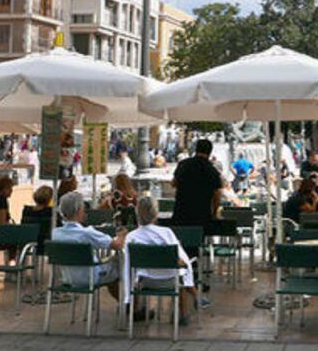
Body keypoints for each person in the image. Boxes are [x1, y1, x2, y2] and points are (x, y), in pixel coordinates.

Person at [126, 196, 202, 324]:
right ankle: (183, 315)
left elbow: (128, 264)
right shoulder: (166, 233)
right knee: (181, 276)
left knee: (136, 271)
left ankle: (136, 309)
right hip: (170, 282)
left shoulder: (131, 236)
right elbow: (182, 260)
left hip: (144, 283)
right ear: (156, 213)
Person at [52, 191, 125, 300]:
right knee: (121, 265)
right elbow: (117, 245)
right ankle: (133, 307)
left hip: (67, 277)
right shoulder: (87, 233)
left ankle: (127, 305)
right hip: (90, 277)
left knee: (112, 268)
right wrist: (122, 235)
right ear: (79, 211)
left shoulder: (55, 233)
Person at [171, 139, 222, 233]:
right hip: (201, 216)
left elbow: (173, 184)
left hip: (181, 213)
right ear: (210, 152)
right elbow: (217, 196)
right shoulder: (212, 170)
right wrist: (214, 213)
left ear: (196, 149)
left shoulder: (183, 164)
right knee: (197, 243)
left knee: (180, 242)